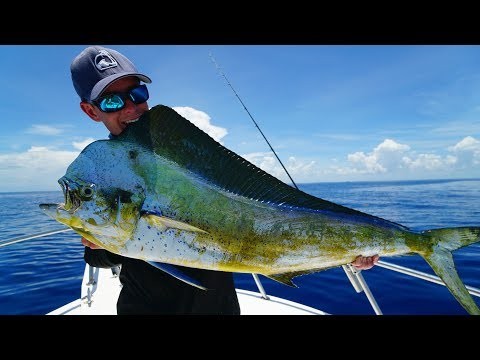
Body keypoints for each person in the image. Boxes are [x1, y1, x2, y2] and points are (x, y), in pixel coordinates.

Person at [70, 45, 379, 315]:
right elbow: (103, 254)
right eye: (112, 101)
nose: (131, 107)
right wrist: (97, 242)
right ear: (90, 111)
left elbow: (261, 231)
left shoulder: (186, 159)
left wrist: (349, 253)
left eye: (137, 94)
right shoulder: (99, 175)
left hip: (218, 307)